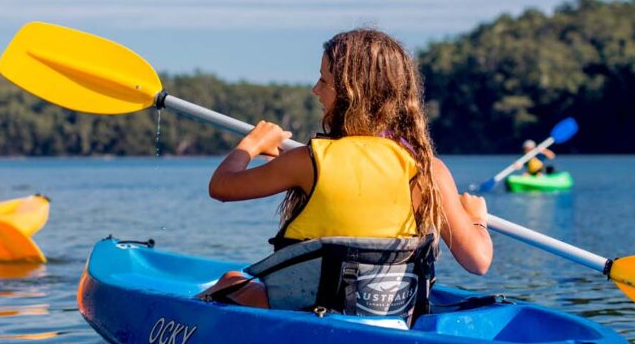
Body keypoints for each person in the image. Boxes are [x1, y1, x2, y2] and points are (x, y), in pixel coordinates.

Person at [198, 28, 492, 318]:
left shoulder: (307, 162)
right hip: (390, 315)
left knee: (231, 281)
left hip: (306, 313)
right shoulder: (428, 170)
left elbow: (221, 187)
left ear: (351, 94)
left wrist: (251, 145)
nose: (315, 89)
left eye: (324, 80)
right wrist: (476, 219)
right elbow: (479, 261)